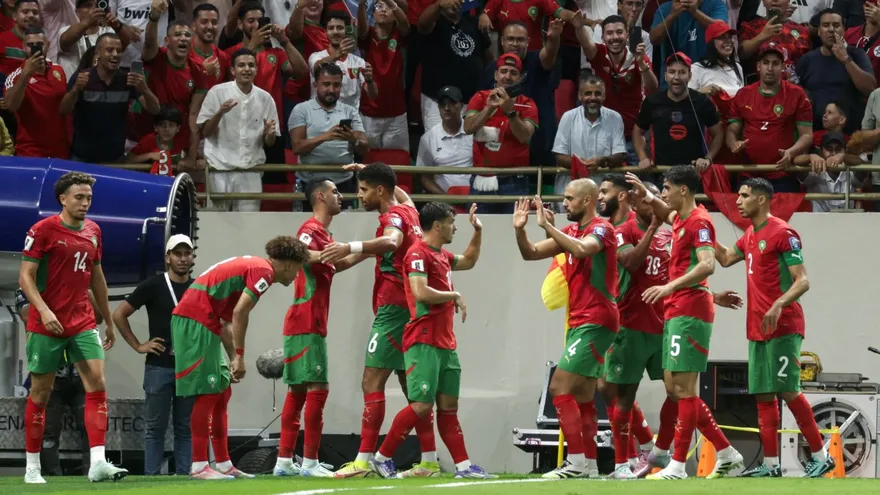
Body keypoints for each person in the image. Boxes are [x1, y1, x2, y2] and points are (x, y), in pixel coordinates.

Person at [599, 175, 745, 478]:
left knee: (678, 390)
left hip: (668, 319)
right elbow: (633, 263)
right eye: (649, 196)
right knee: (619, 392)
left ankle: (671, 458)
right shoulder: (627, 230)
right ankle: (638, 458)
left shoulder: (684, 225)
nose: (655, 199)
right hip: (634, 322)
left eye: (661, 192)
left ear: (681, 191)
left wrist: (707, 295)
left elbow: (698, 268)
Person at [714, 178, 836, 478]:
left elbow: (803, 280)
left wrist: (778, 303)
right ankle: (770, 466)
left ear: (762, 200)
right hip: (757, 328)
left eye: (744, 196)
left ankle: (821, 456)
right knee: (764, 396)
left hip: (783, 326)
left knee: (788, 391)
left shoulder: (782, 232)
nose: (738, 201)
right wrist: (702, 234)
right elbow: (727, 258)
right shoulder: (750, 235)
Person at [325, 163, 440, 479]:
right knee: (411, 389)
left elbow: (388, 243)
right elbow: (369, 251)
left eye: (363, 189)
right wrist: (328, 266)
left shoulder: (392, 220)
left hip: (393, 311)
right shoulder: (410, 213)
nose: (358, 195)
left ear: (379, 191)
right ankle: (429, 461)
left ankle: (362, 461)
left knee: (371, 382)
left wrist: (348, 245)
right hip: (414, 311)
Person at [170, 236, 311, 480]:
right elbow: (240, 312)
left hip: (205, 321)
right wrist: (242, 356)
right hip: (194, 320)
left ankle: (224, 464)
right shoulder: (264, 273)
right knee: (208, 393)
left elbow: (225, 322)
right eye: (298, 268)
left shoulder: (254, 268)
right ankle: (199, 465)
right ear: (289, 264)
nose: (297, 275)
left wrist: (234, 357)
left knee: (222, 391)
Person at [18, 172, 126, 485]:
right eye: (79, 197)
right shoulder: (43, 230)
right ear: (63, 198)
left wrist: (106, 319)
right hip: (47, 323)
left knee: (98, 384)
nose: (85, 203)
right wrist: (43, 309)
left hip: (82, 320)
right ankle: (32, 468)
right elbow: (25, 276)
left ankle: (97, 463)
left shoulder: (94, 231)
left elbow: (97, 277)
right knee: (41, 393)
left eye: (89, 198)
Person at [369, 201, 489, 480]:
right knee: (422, 405)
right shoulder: (417, 254)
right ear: (438, 225)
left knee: (448, 408)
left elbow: (469, 260)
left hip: (445, 342)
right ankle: (381, 458)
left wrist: (478, 231)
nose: (455, 227)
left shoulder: (441, 255)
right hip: (422, 340)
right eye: (452, 222)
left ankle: (463, 467)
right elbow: (420, 292)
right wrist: (454, 296)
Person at [512, 179, 618, 479]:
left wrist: (548, 227)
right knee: (584, 396)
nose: (564, 203)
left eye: (569, 198)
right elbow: (530, 253)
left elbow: (584, 251)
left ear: (587, 201)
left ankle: (575, 462)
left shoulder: (602, 229)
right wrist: (520, 229)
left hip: (596, 320)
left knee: (559, 387)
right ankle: (591, 466)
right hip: (579, 321)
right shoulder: (570, 231)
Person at [274, 179, 365, 478]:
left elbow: (335, 265)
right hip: (306, 320)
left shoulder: (324, 234)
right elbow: (298, 252)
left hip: (308, 321)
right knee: (317, 389)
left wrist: (367, 250)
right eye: (336, 192)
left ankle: (285, 461)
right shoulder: (310, 229)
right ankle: (310, 462)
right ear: (321, 196)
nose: (341, 196)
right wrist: (330, 252)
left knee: (298, 392)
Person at [112, 234, 196, 476]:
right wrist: (139, 345)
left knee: (184, 427)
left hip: (188, 367)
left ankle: (184, 477)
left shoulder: (198, 287)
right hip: (159, 366)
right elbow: (119, 315)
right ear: (167, 257)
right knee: (155, 428)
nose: (182, 259)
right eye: (177, 254)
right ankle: (152, 479)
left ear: (192, 257)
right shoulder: (154, 285)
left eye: (186, 254)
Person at [197, 47, 280, 212]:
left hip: (251, 171)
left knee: (249, 225)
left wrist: (269, 134)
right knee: (219, 223)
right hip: (219, 168)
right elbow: (205, 132)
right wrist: (220, 113)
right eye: (242, 65)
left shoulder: (266, 98)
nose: (247, 69)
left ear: (256, 69)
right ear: (233, 70)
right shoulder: (217, 92)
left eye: (251, 65)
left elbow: (269, 143)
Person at [727, 42, 814, 192]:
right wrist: (733, 144)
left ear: (782, 67)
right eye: (766, 63)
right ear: (758, 66)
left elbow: (806, 135)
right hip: (749, 173)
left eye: (775, 63)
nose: (770, 68)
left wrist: (791, 151)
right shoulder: (743, 94)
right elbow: (731, 130)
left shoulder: (797, 94)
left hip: (783, 174)